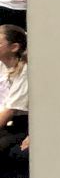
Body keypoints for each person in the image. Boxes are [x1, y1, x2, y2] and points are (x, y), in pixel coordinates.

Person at [0, 25, 28, 168]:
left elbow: (9, 112)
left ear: (14, 47)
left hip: (19, 123)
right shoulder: (2, 66)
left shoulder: (24, 70)